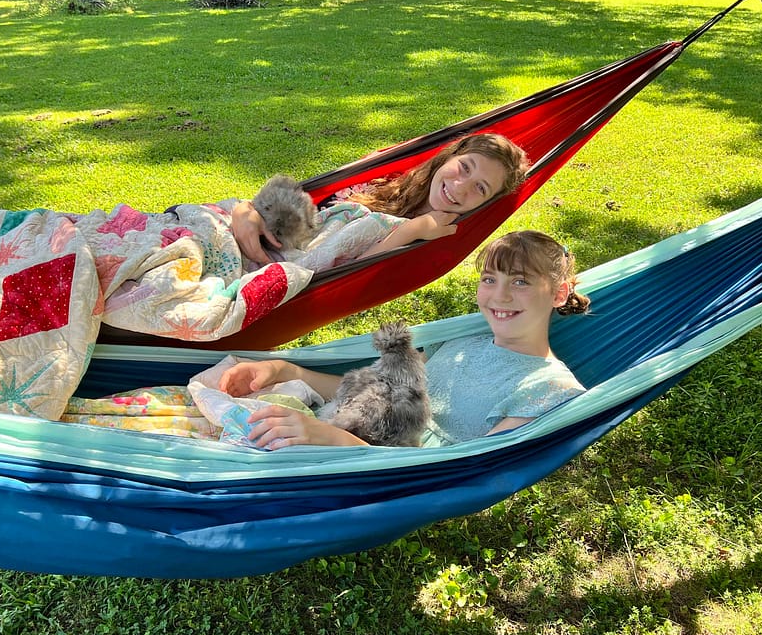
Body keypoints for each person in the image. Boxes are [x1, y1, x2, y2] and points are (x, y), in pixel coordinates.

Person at [217, 230, 590, 448]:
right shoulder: (461, 343)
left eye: (521, 282)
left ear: (559, 293)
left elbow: (463, 473)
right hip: (341, 434)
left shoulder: (550, 388)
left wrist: (330, 439)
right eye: (490, 279)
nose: (499, 296)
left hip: (372, 470)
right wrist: (286, 370)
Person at [228, 133, 529, 265]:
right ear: (451, 155)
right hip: (251, 236)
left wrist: (412, 230)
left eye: (481, 188)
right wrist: (246, 211)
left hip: (276, 269)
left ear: (487, 203)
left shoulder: (435, 238)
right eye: (464, 167)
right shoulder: (384, 178)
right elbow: (308, 203)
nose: (461, 187)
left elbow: (343, 277)